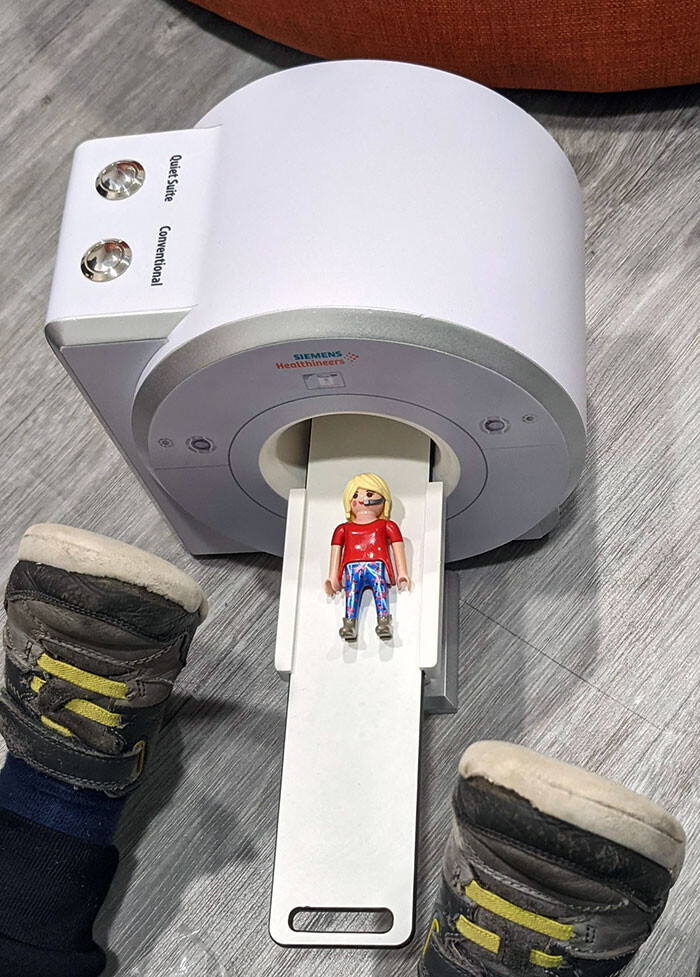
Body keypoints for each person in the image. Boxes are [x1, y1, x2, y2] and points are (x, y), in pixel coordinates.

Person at [324, 472, 410, 640]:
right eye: (355, 495)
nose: (363, 499)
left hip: (376, 565)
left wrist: (402, 572)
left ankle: (383, 622)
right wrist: (332, 576)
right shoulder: (342, 529)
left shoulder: (387, 525)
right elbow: (336, 551)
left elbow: (397, 547)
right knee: (351, 594)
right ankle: (349, 624)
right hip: (351, 567)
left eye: (370, 494)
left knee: (380, 592)